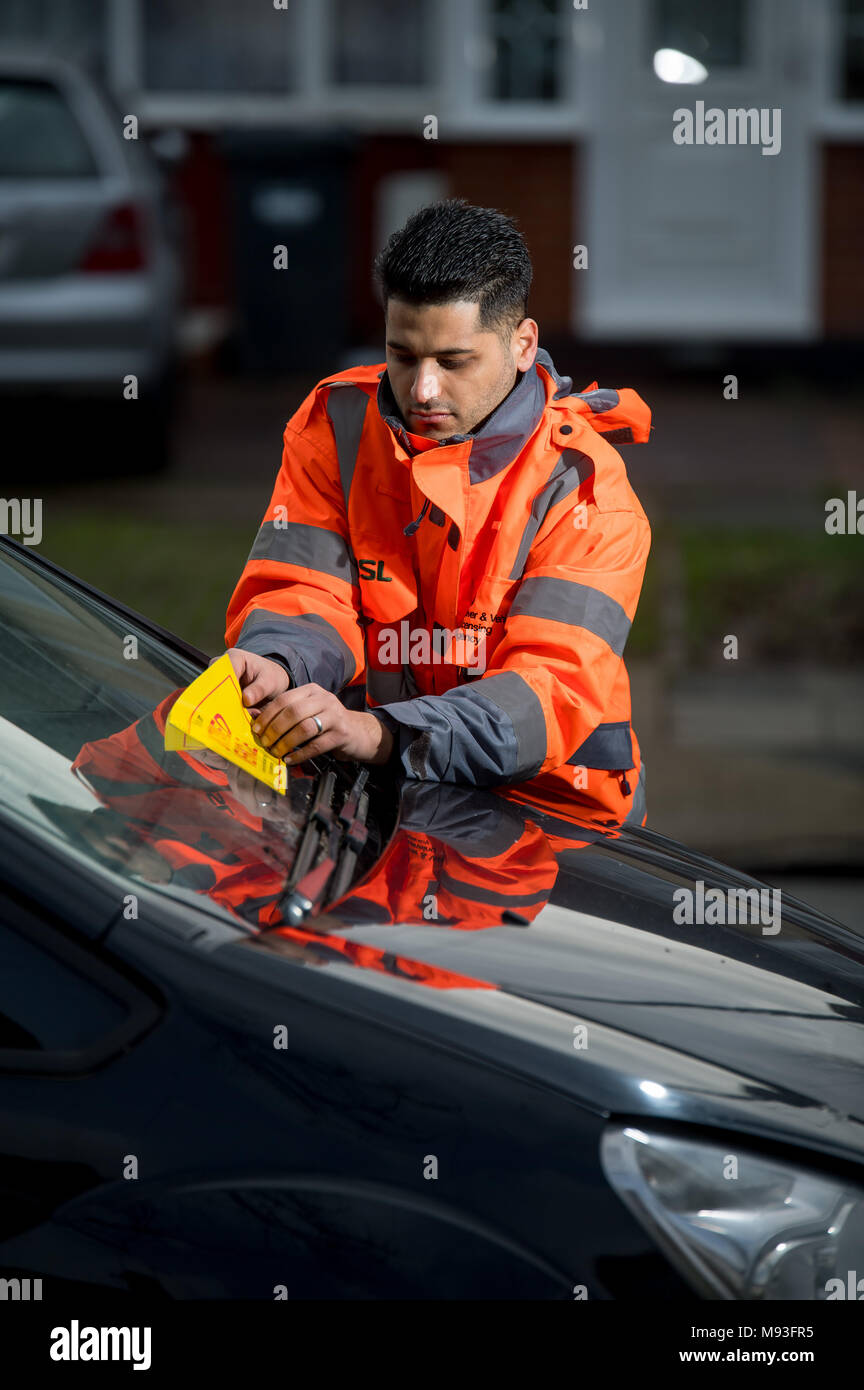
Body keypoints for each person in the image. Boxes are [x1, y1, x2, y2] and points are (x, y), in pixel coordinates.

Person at [222, 199, 652, 822]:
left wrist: (385, 734)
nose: (424, 390)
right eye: (402, 356)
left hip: (549, 815)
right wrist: (277, 664)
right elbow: (303, 592)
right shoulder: (337, 426)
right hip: (373, 793)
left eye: (454, 363)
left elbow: (551, 690)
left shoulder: (586, 487)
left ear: (523, 344)